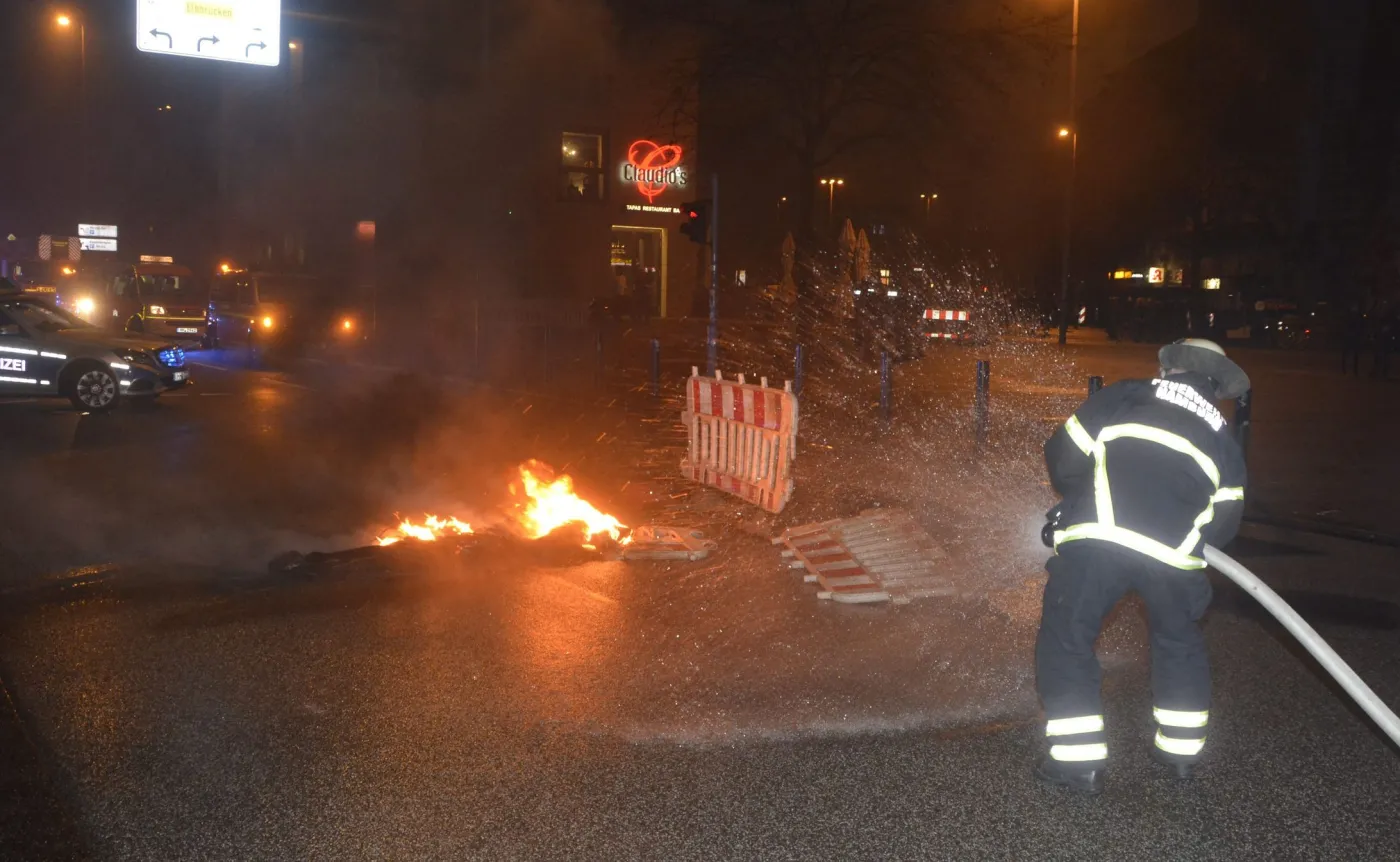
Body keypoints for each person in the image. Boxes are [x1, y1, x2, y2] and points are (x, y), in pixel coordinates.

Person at [1034, 338, 1249, 795]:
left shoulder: (1127, 393)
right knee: (1179, 644)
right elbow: (1227, 521)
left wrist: (1082, 497)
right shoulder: (1224, 438)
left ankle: (1079, 763)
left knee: (1068, 639)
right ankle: (1180, 756)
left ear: (1168, 368)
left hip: (1099, 542)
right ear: (1215, 385)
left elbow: (1063, 456)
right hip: (1174, 559)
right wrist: (1185, 538)